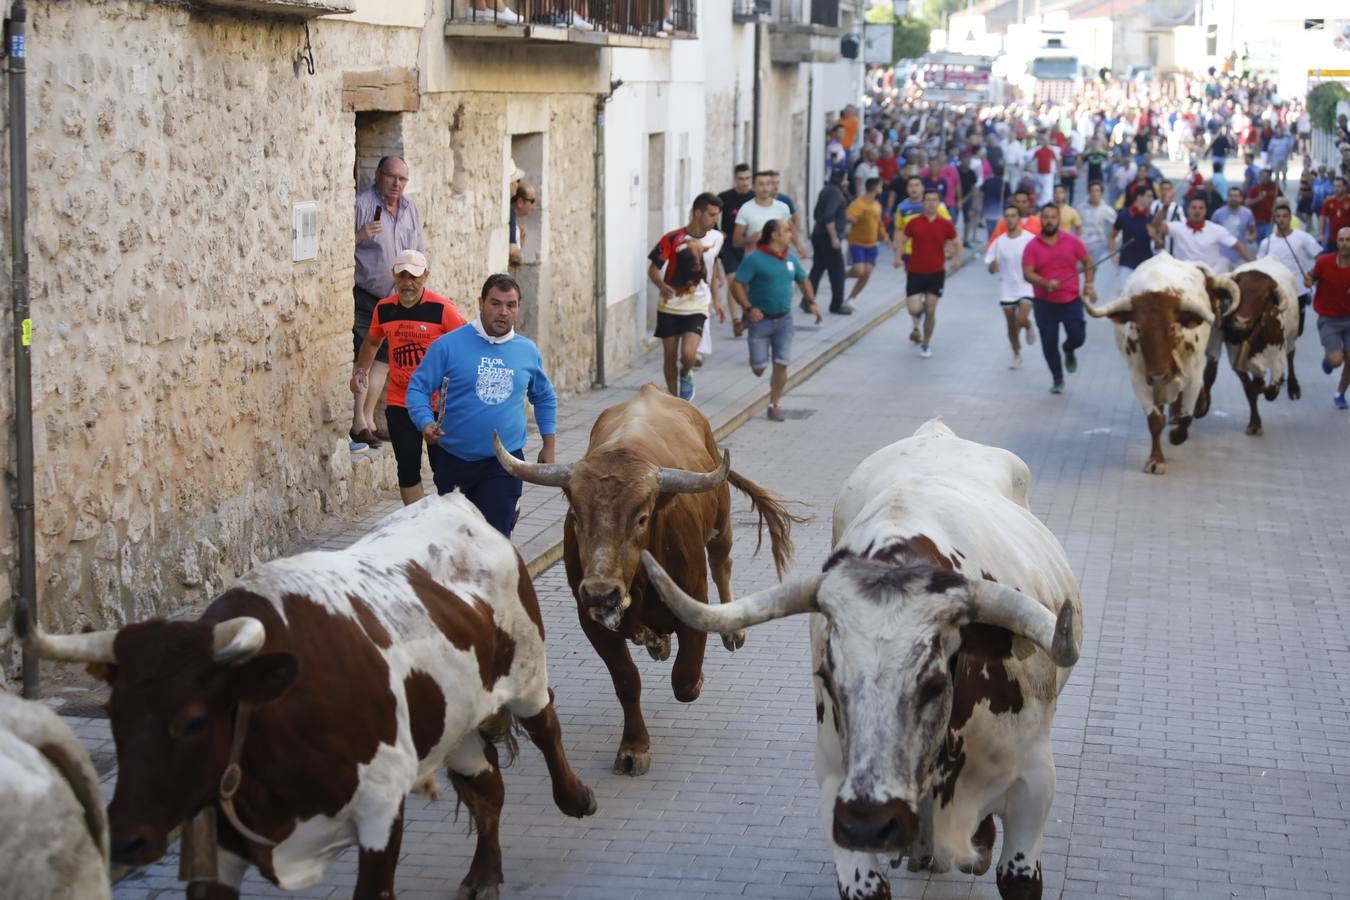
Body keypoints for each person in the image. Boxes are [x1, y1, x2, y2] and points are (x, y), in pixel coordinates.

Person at [406, 273, 557, 537]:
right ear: (481, 303)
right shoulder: (448, 345)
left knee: (494, 541)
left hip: (504, 461)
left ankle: (507, 511)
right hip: (454, 460)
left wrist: (549, 444)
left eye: (511, 305)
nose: (503, 312)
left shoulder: (527, 351)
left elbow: (544, 396)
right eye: (495, 303)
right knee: (457, 540)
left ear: (518, 307)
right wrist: (425, 422)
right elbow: (418, 388)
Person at [350, 250, 466, 505]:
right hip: (401, 401)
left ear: (425, 276)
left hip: (440, 405)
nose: (408, 282)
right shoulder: (384, 309)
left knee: (444, 469)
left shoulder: (442, 309)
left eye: (414, 276)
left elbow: (467, 343)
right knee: (407, 467)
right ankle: (418, 522)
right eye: (402, 276)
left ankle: (449, 521)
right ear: (394, 275)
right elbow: (371, 342)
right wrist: (361, 371)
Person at [353, 156, 426, 450]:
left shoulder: (410, 210)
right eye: (391, 177)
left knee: (383, 361)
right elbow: (336, 245)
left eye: (402, 179)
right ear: (378, 175)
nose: (397, 184)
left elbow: (418, 250)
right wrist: (360, 236)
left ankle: (369, 420)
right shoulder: (362, 204)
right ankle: (357, 422)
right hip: (366, 295)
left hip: (398, 296)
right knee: (365, 358)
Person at [730, 220, 821, 422]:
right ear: (774, 235)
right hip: (760, 321)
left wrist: (812, 302)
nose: (791, 234)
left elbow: (803, 279)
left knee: (782, 364)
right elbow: (736, 285)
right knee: (759, 368)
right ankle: (757, 359)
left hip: (785, 320)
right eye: (787, 231)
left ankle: (774, 404)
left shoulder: (790, 258)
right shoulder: (754, 259)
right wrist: (748, 309)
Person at [648, 192, 726, 402]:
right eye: (711, 215)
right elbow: (653, 270)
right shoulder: (672, 238)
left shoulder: (717, 238)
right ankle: (675, 401)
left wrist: (717, 300)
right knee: (670, 356)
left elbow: (712, 267)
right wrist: (661, 284)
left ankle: (686, 373)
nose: (714, 220)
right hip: (670, 306)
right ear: (697, 213)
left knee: (689, 355)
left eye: (717, 215)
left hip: (698, 305)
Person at [1022, 204, 1096, 394]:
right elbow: (1027, 273)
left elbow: (1088, 262)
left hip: (1071, 299)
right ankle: (1057, 378)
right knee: (1049, 343)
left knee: (1078, 336)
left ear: (1059, 220)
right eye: (1045, 217)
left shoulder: (1072, 241)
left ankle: (1069, 349)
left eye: (1053, 217)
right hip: (1044, 303)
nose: (1049, 221)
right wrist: (1045, 282)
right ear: (1041, 220)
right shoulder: (1032, 246)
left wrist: (1088, 284)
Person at [898, 188, 962, 358]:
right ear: (923, 203)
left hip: (936, 273)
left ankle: (926, 343)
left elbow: (957, 242)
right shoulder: (914, 222)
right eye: (928, 200)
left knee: (931, 310)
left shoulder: (945, 224)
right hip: (915, 271)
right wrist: (898, 257)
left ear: (939, 203)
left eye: (935, 200)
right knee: (914, 308)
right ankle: (918, 316)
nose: (931, 203)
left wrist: (956, 261)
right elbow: (903, 239)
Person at [984, 204, 1037, 369]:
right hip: (1007, 287)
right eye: (1007, 216)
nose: (1010, 219)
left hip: (1026, 285)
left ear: (1020, 219)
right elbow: (990, 268)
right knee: (1011, 326)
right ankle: (1016, 353)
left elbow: (1039, 259)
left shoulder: (1030, 239)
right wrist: (993, 265)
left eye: (1013, 215)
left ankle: (1028, 325)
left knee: (1020, 319)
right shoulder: (999, 242)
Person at [1259, 204, 1323, 336]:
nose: (1281, 219)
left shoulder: (1302, 237)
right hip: (1275, 292)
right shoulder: (1267, 242)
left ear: (1290, 218)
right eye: (1278, 216)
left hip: (1298, 291)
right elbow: (1259, 266)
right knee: (1275, 331)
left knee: (1296, 332)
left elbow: (1320, 258)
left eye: (1285, 216)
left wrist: (1312, 275)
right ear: (1274, 219)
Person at [1307, 227, 1350, 409]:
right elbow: (1311, 276)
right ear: (1336, 242)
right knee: (1336, 360)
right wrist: (1308, 280)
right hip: (1329, 319)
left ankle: (1340, 393)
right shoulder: (1324, 262)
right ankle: (1329, 359)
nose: (1345, 244)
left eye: (1348, 240)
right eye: (1341, 240)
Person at [1156, 195, 1253, 270]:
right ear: (1188, 210)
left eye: (1200, 208)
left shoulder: (1216, 229)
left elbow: (1238, 246)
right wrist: (1165, 207)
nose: (1197, 211)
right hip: (1184, 275)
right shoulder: (1177, 227)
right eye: (1194, 208)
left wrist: (1255, 266)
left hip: (1209, 276)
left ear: (1205, 211)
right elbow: (1156, 226)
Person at [718, 164, 756, 336]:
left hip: (749, 246)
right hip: (729, 247)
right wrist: (718, 232)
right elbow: (711, 215)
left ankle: (746, 313)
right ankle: (735, 320)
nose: (744, 182)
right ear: (735, 179)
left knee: (746, 284)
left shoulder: (755, 198)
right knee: (733, 280)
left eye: (747, 179)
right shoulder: (725, 197)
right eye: (741, 179)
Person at [808, 169, 851, 314]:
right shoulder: (835, 194)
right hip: (827, 237)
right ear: (842, 180)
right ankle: (837, 304)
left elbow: (816, 214)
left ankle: (807, 301)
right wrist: (834, 237)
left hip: (818, 234)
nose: (847, 182)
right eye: (845, 179)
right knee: (838, 272)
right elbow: (828, 217)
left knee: (817, 269)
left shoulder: (826, 190)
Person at [842, 177, 885, 308]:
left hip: (872, 244)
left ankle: (851, 298)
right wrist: (852, 219)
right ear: (875, 187)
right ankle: (841, 275)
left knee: (867, 273)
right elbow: (848, 216)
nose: (881, 189)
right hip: (857, 242)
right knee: (859, 271)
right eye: (880, 186)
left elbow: (879, 224)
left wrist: (885, 237)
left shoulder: (877, 205)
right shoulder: (858, 203)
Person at [733, 171, 791, 254]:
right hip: (755, 262)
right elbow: (736, 242)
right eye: (761, 184)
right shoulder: (746, 209)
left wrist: (798, 248)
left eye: (768, 184)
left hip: (778, 259)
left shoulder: (783, 208)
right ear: (753, 187)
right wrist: (751, 239)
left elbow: (788, 234)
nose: (765, 188)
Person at [1110, 185, 1156, 281]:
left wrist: (1154, 235)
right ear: (1139, 197)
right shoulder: (1124, 215)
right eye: (1149, 196)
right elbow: (1112, 236)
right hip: (1126, 264)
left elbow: (1159, 243)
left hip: (1146, 264)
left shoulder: (1151, 218)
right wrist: (1114, 255)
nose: (1152, 199)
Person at [1213, 186, 1258, 273]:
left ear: (1241, 198)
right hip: (1222, 257)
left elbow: (1253, 231)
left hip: (1240, 256)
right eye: (1230, 196)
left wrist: (1251, 237)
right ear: (1227, 198)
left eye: (1236, 196)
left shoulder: (1247, 213)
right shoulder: (1218, 213)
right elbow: (1211, 233)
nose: (1233, 198)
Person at [1245, 169, 1279, 243]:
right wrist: (1258, 199)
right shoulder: (1255, 189)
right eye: (1263, 176)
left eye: (1267, 176)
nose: (1265, 178)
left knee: (1268, 243)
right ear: (1260, 177)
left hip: (1270, 222)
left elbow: (1282, 200)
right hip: (1258, 223)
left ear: (1270, 177)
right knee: (1261, 245)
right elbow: (1247, 203)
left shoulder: (1275, 188)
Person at [508, 180, 536, 267]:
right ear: (520, 202)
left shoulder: (512, 219)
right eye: (532, 201)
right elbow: (514, 259)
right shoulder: (510, 215)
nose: (534, 205)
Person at [1322, 177, 1350, 253]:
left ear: (1345, 187)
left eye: (1338, 186)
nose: (1336, 189)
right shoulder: (1329, 201)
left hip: (1348, 239)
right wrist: (1321, 234)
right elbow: (1322, 217)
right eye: (1334, 186)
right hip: (1333, 239)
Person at [1030, 133, 1058, 207]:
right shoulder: (1037, 150)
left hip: (1048, 174)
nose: (1045, 142)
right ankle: (1039, 204)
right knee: (1038, 190)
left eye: (1046, 140)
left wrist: (1057, 171)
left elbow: (1056, 160)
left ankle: (1047, 204)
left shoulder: (1052, 150)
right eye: (1044, 140)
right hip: (1039, 174)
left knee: (1048, 190)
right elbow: (1032, 160)